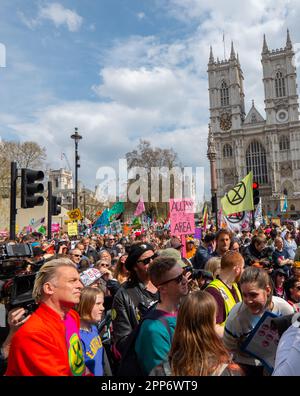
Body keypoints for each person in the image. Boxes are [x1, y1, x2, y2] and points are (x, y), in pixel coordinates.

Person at [5, 260, 88, 376]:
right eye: (73, 281)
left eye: (79, 280)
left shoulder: (72, 316)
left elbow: (78, 366)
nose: (80, 286)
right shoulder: (34, 334)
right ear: (49, 288)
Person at [150, 291, 243, 376]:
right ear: (211, 323)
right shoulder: (228, 370)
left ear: (180, 321)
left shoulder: (161, 371)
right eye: (215, 318)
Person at [223, 267, 294, 376]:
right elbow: (227, 351)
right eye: (244, 295)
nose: (248, 301)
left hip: (277, 363)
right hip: (246, 365)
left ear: (268, 290)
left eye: (253, 294)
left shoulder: (285, 309)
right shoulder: (236, 317)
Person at [134, 255, 189, 375]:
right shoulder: (153, 330)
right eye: (178, 279)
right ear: (162, 289)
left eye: (184, 274)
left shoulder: (185, 311)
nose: (185, 280)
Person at [111, 243, 159, 355]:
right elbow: (122, 341)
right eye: (146, 261)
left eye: (154, 257)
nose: (152, 262)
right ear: (134, 267)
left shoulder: (166, 283)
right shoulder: (123, 295)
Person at [205, 251, 244, 334]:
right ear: (237, 269)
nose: (243, 271)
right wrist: (236, 334)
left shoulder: (235, 286)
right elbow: (212, 327)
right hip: (222, 344)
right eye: (242, 268)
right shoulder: (213, 291)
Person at [77, 287, 111, 376]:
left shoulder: (93, 327)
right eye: (98, 304)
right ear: (85, 305)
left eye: (102, 304)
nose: (103, 308)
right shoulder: (77, 337)